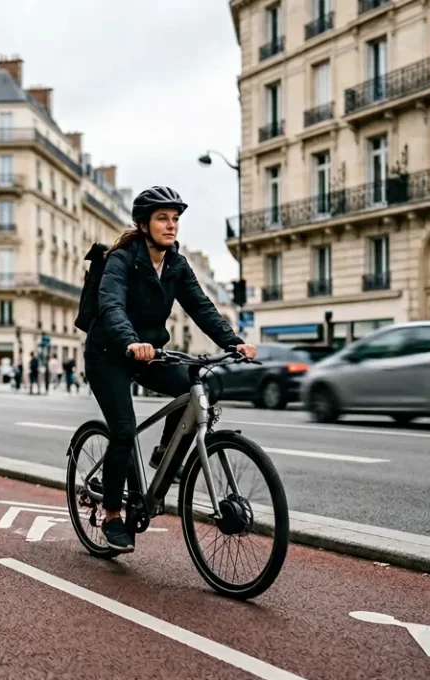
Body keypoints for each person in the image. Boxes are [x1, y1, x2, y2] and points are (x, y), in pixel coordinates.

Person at [84, 186, 256, 553]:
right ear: (143, 224)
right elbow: (111, 303)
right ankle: (113, 514)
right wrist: (130, 340)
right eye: (163, 218)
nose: (171, 225)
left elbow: (202, 306)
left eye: (175, 218)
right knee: (124, 430)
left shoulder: (176, 264)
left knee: (197, 384)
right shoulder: (122, 259)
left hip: (148, 352)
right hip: (109, 351)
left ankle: (165, 452)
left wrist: (233, 342)